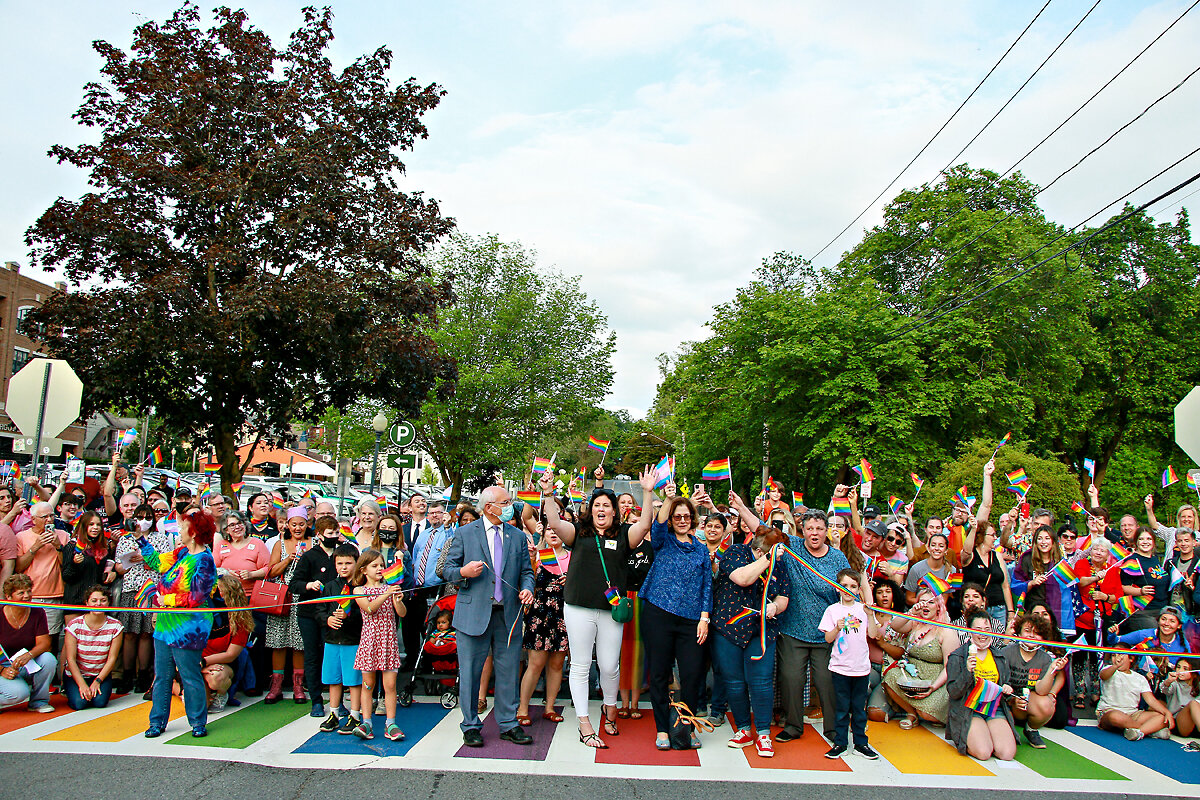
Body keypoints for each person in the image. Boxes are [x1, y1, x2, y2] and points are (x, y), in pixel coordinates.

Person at [541, 471, 654, 749]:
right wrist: (547, 493)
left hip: (611, 609)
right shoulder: (579, 532)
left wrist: (648, 492)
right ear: (590, 511)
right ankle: (584, 723)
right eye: (596, 506)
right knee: (580, 665)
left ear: (615, 512)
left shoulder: (626, 534)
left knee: (609, 665)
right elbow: (554, 521)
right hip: (578, 607)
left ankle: (610, 708)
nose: (601, 509)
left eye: (606, 506)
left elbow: (646, 524)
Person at [441, 483, 537, 749]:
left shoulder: (517, 536)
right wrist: (463, 573)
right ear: (489, 507)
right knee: (471, 673)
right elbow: (446, 569)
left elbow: (527, 572)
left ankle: (508, 723)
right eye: (506, 503)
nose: (510, 507)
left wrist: (527, 590)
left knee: (508, 672)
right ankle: (471, 725)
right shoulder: (464, 533)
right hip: (473, 615)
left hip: (507, 615)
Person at [745, 501, 849, 745]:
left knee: (826, 682)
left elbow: (847, 589)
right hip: (793, 630)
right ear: (802, 529)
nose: (815, 533)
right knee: (791, 680)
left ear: (826, 531)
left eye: (820, 529)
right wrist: (741, 506)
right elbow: (761, 529)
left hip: (825, 634)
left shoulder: (837, 558)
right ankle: (793, 726)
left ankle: (834, 728)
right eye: (810, 528)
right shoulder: (791, 549)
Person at [639, 494, 714, 750]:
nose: (682, 520)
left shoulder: (702, 548)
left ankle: (687, 726)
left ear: (693, 519)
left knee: (692, 675)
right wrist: (668, 499)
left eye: (686, 516)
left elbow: (707, 586)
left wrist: (705, 618)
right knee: (659, 674)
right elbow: (656, 525)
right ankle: (661, 728)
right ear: (671, 519)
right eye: (677, 516)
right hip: (658, 614)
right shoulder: (663, 541)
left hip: (692, 621)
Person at [712, 525, 790, 757]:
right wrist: (768, 558)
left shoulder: (780, 563)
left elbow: (783, 594)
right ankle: (744, 729)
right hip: (729, 626)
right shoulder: (735, 553)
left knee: (761, 680)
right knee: (734, 681)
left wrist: (775, 606)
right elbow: (743, 578)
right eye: (759, 552)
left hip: (762, 629)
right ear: (755, 548)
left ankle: (764, 733)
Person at [142, 509, 217, 738]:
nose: (179, 531)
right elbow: (156, 563)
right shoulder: (181, 552)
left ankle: (197, 722)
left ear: (193, 533)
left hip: (189, 626)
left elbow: (198, 596)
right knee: (162, 674)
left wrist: (167, 599)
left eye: (183, 527)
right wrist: (139, 538)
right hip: (165, 623)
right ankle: (157, 721)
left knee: (189, 674)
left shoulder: (205, 560)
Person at [819, 569, 880, 760]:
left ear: (859, 589)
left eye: (853, 586)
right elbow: (828, 639)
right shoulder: (832, 610)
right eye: (844, 585)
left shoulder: (862, 609)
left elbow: (873, 635)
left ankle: (861, 743)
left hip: (861, 668)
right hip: (840, 668)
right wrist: (837, 627)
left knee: (859, 708)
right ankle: (840, 742)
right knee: (842, 707)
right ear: (837, 588)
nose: (848, 589)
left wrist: (870, 615)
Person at [517, 516, 570, 726]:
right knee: (535, 663)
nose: (554, 533)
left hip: (564, 614)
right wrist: (530, 560)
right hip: (539, 613)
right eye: (550, 530)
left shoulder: (573, 557)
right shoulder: (538, 555)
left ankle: (550, 706)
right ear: (544, 533)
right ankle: (523, 707)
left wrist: (572, 578)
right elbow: (526, 579)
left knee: (557, 664)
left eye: (558, 530)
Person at [290, 515, 344, 718]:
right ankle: (316, 700)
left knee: (333, 656)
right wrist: (309, 585)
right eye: (330, 534)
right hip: (310, 614)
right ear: (320, 535)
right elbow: (294, 584)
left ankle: (336, 700)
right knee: (312, 656)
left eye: (336, 533)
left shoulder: (341, 554)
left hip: (334, 613)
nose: (334, 536)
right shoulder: (309, 556)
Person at [946, 611, 1018, 760]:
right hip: (969, 709)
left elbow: (1006, 683)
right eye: (978, 630)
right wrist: (967, 671)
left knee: (1007, 754)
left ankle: (990, 734)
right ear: (969, 631)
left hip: (993, 708)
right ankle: (971, 735)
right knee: (984, 753)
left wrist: (1007, 689)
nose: (983, 634)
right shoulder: (958, 656)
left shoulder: (1000, 656)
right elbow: (953, 692)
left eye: (987, 629)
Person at [351, 548, 405, 741]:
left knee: (390, 685)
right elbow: (369, 608)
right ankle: (367, 722)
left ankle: (391, 723)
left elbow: (402, 613)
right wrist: (386, 593)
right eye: (375, 566)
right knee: (368, 684)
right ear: (364, 570)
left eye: (382, 565)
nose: (380, 569)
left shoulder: (391, 587)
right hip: (369, 640)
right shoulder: (358, 590)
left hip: (388, 640)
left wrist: (397, 600)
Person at [882, 586, 956, 727]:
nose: (925, 606)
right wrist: (911, 612)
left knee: (927, 714)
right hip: (913, 676)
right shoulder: (914, 623)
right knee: (890, 675)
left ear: (939, 607)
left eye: (930, 602)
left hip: (937, 680)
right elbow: (895, 626)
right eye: (921, 602)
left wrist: (933, 687)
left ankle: (928, 712)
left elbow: (949, 667)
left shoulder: (947, 631)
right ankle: (911, 713)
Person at [264, 507, 312, 704]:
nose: (297, 528)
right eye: (294, 524)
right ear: (287, 526)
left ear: (307, 525)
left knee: (299, 642)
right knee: (278, 642)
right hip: (282, 596)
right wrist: (288, 559)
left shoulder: (312, 543)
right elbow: (271, 571)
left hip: (303, 596)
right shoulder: (280, 544)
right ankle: (276, 685)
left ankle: (298, 686)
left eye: (301, 524)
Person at [315, 543, 364, 735]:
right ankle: (334, 714)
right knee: (333, 679)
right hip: (332, 640)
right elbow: (318, 610)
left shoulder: (359, 587)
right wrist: (327, 619)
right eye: (339, 563)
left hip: (352, 641)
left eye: (348, 563)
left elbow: (363, 614)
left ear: (356, 563)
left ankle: (355, 714)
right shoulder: (329, 587)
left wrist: (348, 617)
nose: (343, 567)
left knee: (353, 680)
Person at [999, 613, 1067, 749]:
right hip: (1004, 701)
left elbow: (1042, 690)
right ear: (1019, 632)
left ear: (1043, 637)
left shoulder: (1045, 659)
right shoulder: (1006, 652)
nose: (1031, 635)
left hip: (1026, 701)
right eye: (1027, 630)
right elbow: (997, 682)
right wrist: (1012, 699)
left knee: (1047, 704)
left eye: (1037, 632)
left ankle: (1031, 729)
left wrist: (1051, 671)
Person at [14, 502, 70, 653]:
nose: (49, 520)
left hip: (54, 596)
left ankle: (49, 673)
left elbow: (67, 566)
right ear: (33, 519)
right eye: (44, 517)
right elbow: (18, 567)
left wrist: (58, 546)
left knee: (50, 641)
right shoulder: (22, 537)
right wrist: (35, 547)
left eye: (52, 515)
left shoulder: (63, 535)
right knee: (26, 638)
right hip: (28, 597)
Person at [0, 574, 57, 712]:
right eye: (21, 593)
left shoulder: (37, 611)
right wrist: (2, 670)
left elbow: (45, 644)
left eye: (29, 591)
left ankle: (39, 702)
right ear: (8, 597)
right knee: (20, 693)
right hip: (3, 664)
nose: (27, 596)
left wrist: (29, 655)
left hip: (26, 662)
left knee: (49, 659)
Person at [63, 584, 123, 710]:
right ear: (87, 603)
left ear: (108, 603)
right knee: (80, 703)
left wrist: (98, 681)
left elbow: (112, 658)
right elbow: (70, 659)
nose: (98, 604)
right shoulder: (74, 625)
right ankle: (72, 689)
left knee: (100, 703)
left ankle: (94, 688)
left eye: (103, 600)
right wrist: (82, 684)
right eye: (94, 601)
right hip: (77, 674)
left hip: (99, 674)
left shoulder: (116, 626)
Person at [1096, 646, 1173, 741]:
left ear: (1131, 659)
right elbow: (1103, 676)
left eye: (1120, 655)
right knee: (1115, 717)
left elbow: (1150, 700)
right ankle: (1150, 730)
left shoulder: (1140, 678)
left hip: (1133, 714)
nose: (1117, 658)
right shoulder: (1108, 669)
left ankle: (1138, 732)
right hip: (1109, 711)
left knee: (1161, 717)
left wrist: (1166, 712)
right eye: (1113, 655)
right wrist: (1115, 666)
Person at [200, 575, 253, 711]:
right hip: (197, 663)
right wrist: (200, 667)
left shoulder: (240, 618)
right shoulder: (201, 611)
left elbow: (231, 655)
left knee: (216, 677)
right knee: (200, 705)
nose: (215, 594)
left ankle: (221, 694)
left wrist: (204, 662)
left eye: (219, 591)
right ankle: (180, 690)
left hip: (221, 663)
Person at [60, 511, 116, 625]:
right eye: (91, 524)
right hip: (75, 601)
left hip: (96, 602)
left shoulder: (104, 547)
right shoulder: (72, 546)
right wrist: (74, 564)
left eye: (98, 525)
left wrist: (113, 573)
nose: (95, 528)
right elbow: (66, 576)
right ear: (84, 526)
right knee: (73, 639)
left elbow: (105, 571)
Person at [1120, 526, 1172, 631]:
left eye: (1149, 539)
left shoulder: (1154, 559)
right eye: (1141, 539)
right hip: (1143, 612)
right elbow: (1122, 587)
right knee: (1156, 634)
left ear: (1153, 542)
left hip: (1163, 609)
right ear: (1136, 542)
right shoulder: (1131, 561)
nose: (1145, 542)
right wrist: (1140, 591)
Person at [1159, 656, 1200, 747]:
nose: (1180, 671)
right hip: (1179, 723)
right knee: (1193, 703)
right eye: (1178, 667)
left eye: (1185, 669)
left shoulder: (1198, 685)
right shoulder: (1175, 684)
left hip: (1195, 724)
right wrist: (1168, 681)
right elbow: (1164, 689)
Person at [904, 531, 951, 607]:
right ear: (928, 548)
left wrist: (935, 606)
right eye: (933, 545)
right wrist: (925, 604)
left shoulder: (953, 571)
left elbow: (945, 600)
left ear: (946, 550)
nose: (936, 548)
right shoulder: (916, 569)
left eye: (941, 546)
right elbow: (908, 599)